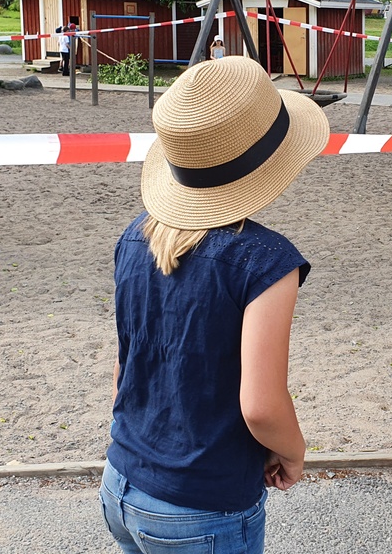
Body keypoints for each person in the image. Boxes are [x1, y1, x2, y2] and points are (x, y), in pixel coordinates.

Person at [100, 55, 329, 554]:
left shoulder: (135, 237)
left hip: (122, 480)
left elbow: (125, 370)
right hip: (203, 506)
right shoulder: (268, 262)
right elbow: (261, 406)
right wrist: (293, 453)